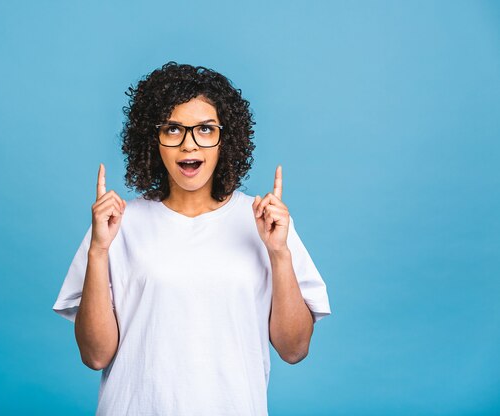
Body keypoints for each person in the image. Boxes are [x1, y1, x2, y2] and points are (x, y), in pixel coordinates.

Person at [52, 61, 331, 415]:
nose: (189, 145)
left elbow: (294, 350)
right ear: (153, 139)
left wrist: (279, 254)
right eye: (173, 129)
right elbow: (94, 356)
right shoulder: (118, 224)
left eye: (204, 129)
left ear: (224, 139)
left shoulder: (265, 223)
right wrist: (98, 251)